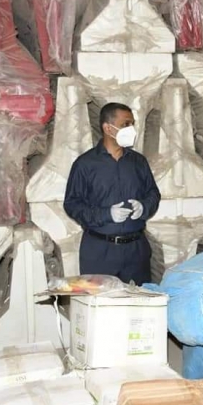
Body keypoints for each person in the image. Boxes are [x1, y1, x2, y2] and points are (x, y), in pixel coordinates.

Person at [64, 103, 161, 285]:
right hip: (100, 251)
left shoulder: (138, 162)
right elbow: (72, 204)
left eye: (132, 124)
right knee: (101, 300)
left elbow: (153, 193)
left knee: (139, 299)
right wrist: (106, 214)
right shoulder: (85, 164)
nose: (131, 130)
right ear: (108, 128)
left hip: (136, 250)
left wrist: (144, 206)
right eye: (126, 124)